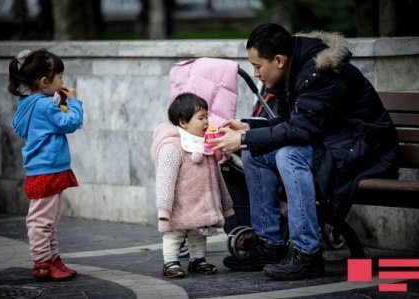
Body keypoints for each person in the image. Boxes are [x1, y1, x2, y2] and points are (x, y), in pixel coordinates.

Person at [210, 23, 399, 280]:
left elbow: (301, 132)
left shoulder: (320, 74)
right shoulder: (294, 70)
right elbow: (293, 124)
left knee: (288, 154)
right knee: (255, 153)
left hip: (362, 149)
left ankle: (305, 253)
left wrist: (244, 137)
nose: (255, 73)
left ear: (278, 60)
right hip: (331, 143)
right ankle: (271, 245)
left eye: (257, 66)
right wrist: (249, 127)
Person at [9, 48, 84, 281]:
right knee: (42, 221)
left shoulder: (29, 103)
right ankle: (43, 262)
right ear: (44, 81)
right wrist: (74, 101)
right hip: (47, 170)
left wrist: (59, 101)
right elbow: (70, 122)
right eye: (60, 77)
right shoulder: (42, 105)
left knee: (50, 219)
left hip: (44, 169)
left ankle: (53, 259)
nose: (63, 81)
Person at [150, 93, 234, 278]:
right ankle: (170, 262)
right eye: (201, 118)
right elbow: (165, 181)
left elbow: (216, 177)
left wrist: (226, 204)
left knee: (199, 233)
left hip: (200, 205)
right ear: (183, 122)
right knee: (174, 234)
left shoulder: (205, 146)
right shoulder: (172, 147)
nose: (206, 122)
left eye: (207, 117)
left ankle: (198, 260)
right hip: (179, 206)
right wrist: (164, 210)